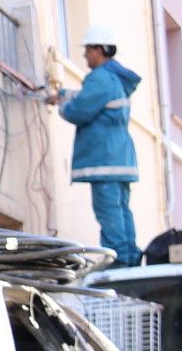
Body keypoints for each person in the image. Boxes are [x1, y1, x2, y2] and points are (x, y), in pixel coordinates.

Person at [48, 23, 142, 262]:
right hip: (119, 157)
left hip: (104, 158)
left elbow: (78, 110)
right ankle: (129, 256)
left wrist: (62, 105)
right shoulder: (115, 79)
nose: (85, 55)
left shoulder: (100, 78)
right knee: (121, 210)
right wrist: (62, 94)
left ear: (100, 50)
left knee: (108, 211)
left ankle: (118, 261)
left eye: (88, 49)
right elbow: (88, 98)